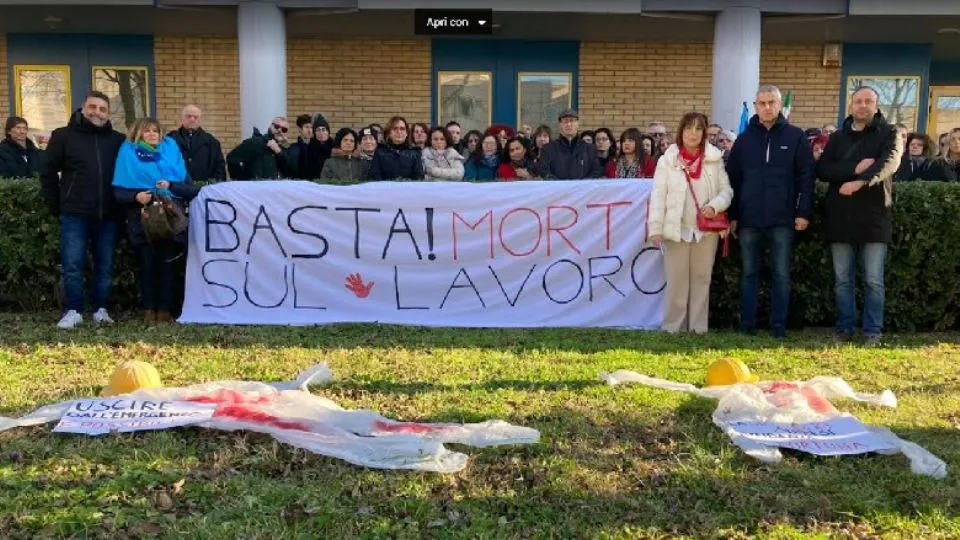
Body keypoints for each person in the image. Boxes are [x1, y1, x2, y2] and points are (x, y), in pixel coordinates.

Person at [726, 84, 816, 338]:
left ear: (779, 105)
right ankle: (748, 326)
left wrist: (803, 212)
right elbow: (733, 180)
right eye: (762, 103)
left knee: (781, 274)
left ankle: (778, 327)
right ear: (755, 106)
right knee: (749, 274)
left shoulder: (795, 136)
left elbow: (806, 177)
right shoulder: (744, 139)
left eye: (772, 103)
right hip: (748, 219)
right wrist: (733, 216)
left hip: (783, 219)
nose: (767, 108)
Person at [817, 86, 903, 346]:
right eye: (858, 101)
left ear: (876, 105)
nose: (863, 105)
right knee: (842, 280)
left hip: (875, 217)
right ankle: (845, 329)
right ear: (851, 105)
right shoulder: (838, 138)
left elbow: (889, 162)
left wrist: (861, 181)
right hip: (840, 217)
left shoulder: (890, 134)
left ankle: (872, 332)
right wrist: (855, 167)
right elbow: (823, 169)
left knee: (873, 281)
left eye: (869, 101)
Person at [40, 90, 126, 329]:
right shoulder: (63, 136)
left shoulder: (118, 140)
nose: (97, 112)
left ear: (108, 114)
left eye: (102, 109)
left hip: (109, 215)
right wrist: (57, 205)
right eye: (93, 107)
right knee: (72, 264)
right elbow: (47, 173)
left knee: (105, 265)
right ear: (83, 108)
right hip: (74, 214)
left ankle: (101, 309)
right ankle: (74, 310)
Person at [648, 112, 733, 334]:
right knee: (676, 282)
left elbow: (727, 191)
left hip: (706, 232)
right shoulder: (667, 160)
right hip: (676, 229)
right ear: (680, 131)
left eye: (698, 129)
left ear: (704, 133)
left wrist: (715, 206)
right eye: (688, 128)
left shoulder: (714, 159)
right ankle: (672, 327)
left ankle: (697, 328)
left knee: (701, 280)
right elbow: (658, 196)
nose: (692, 134)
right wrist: (655, 229)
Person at [113, 118, 200, 323]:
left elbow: (191, 190)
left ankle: (165, 310)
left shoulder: (172, 155)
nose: (152, 134)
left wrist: (170, 185)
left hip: (169, 222)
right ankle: (148, 310)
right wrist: (136, 197)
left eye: (156, 131)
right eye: (147, 131)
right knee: (147, 267)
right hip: (142, 223)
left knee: (168, 267)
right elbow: (118, 192)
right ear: (138, 133)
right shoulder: (127, 155)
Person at [537, 109, 602, 180]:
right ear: (560, 124)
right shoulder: (548, 148)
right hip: (557, 190)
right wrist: (561, 185)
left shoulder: (590, 149)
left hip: (582, 190)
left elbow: (596, 172)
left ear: (577, 123)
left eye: (572, 120)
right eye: (565, 121)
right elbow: (544, 171)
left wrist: (581, 185)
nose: (568, 124)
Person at [166, 105, 226, 182]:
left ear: (200, 120)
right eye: (188, 116)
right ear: (182, 118)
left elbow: (219, 168)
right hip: (175, 187)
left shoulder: (211, 142)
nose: (192, 119)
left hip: (203, 189)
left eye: (196, 117)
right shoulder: (170, 139)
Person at [226, 116, 295, 180]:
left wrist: (279, 152)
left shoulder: (286, 150)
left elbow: (291, 170)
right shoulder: (255, 143)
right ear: (270, 126)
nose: (280, 130)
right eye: (276, 126)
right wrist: (241, 181)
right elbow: (232, 158)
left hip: (276, 190)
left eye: (284, 129)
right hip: (255, 189)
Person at [369, 116, 424, 180]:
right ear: (389, 133)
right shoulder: (380, 152)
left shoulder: (414, 153)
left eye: (402, 128)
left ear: (407, 133)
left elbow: (419, 178)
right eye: (395, 128)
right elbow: (375, 177)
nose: (399, 131)